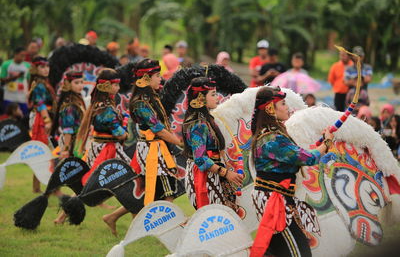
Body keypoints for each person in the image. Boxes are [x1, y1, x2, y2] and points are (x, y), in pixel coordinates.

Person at [250, 86, 334, 257]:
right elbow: (307, 158)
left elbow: (299, 155)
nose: (287, 107)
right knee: (298, 252)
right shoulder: (272, 138)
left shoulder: (271, 134)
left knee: (281, 250)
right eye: (283, 103)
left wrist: (319, 146)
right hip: (274, 201)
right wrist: (326, 143)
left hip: (277, 198)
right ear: (270, 108)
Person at [102, 59, 182, 235]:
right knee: (167, 187)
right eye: (156, 75)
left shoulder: (152, 96)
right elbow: (158, 130)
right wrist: (180, 143)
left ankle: (113, 217)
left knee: (153, 189)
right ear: (145, 78)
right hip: (153, 149)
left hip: (158, 147)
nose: (160, 79)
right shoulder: (140, 103)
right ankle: (169, 228)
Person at [182, 77, 243, 212]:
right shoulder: (197, 124)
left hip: (213, 172)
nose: (218, 97)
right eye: (213, 94)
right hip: (203, 176)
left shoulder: (206, 119)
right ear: (200, 98)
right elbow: (200, 158)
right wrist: (226, 173)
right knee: (216, 222)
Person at [51, 71, 86, 224]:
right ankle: (61, 217)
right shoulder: (69, 105)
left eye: (81, 82)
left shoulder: (78, 100)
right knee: (82, 185)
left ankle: (61, 217)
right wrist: (65, 150)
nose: (80, 85)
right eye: (76, 82)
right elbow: (67, 130)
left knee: (82, 185)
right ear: (68, 84)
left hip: (81, 144)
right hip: (74, 147)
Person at [28, 56, 56, 193]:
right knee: (46, 153)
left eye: (47, 66)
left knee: (42, 153)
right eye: (42, 67)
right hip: (40, 119)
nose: (46, 69)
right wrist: (47, 120)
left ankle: (37, 187)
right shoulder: (39, 85)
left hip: (42, 117)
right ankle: (51, 188)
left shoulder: (43, 82)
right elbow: (40, 104)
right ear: (35, 69)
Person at [0, 47, 30, 116]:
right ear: (15, 54)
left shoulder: (27, 66)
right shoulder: (6, 64)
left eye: (24, 56)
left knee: (24, 116)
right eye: (21, 55)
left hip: (22, 97)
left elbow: (29, 81)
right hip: (9, 96)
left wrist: (29, 94)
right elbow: (2, 79)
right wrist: (15, 76)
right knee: (7, 116)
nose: (23, 58)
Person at [344, 46, 372, 113]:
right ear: (353, 57)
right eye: (356, 56)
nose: (358, 58)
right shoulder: (348, 68)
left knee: (363, 112)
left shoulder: (367, 67)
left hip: (363, 94)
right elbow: (346, 82)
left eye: (360, 56)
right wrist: (360, 80)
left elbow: (368, 79)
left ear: (363, 56)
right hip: (351, 95)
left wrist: (354, 80)